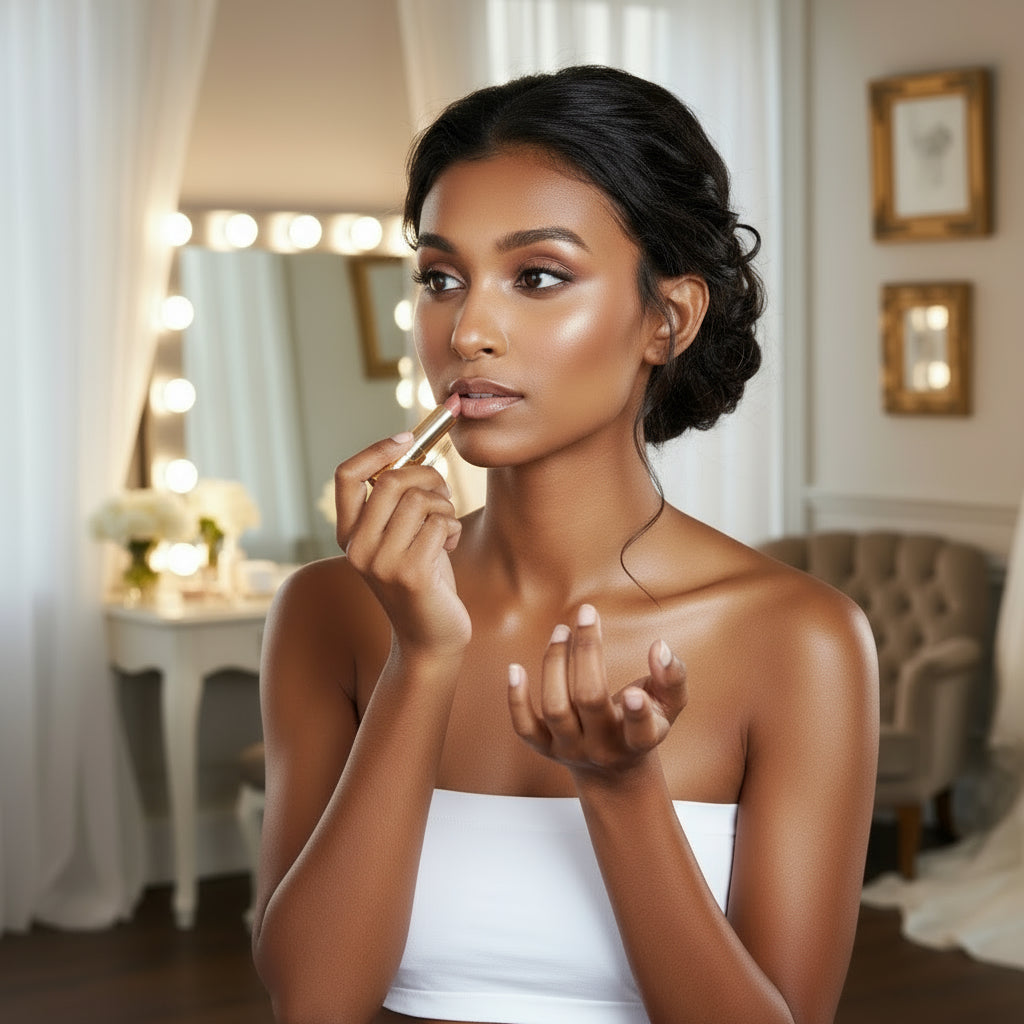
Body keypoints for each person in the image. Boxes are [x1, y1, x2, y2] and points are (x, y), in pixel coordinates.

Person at [251, 65, 879, 1024]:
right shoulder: (329, 611)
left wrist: (622, 790)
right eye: (441, 279)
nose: (468, 331)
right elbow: (313, 1003)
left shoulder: (801, 640)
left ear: (667, 319)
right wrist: (421, 659)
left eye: (537, 277)